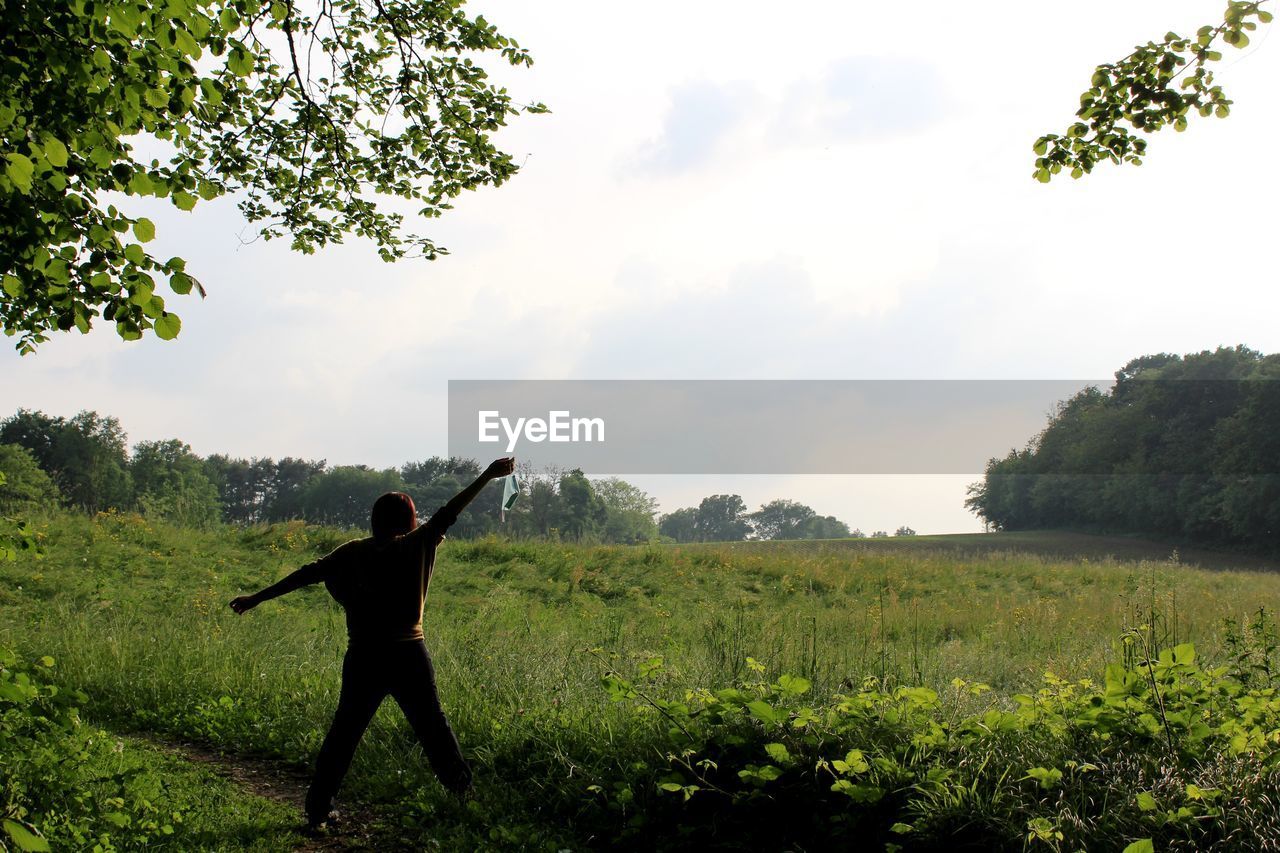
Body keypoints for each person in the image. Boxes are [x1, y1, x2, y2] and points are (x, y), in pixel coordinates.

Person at [229, 457, 516, 831]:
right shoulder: (418, 546)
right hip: (408, 654)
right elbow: (450, 511)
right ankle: (465, 801)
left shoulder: (352, 552)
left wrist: (256, 598)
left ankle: (317, 812)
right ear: (411, 521)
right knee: (434, 730)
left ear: (374, 520)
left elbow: (305, 575)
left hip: (364, 655)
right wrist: (488, 476)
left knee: (344, 733)